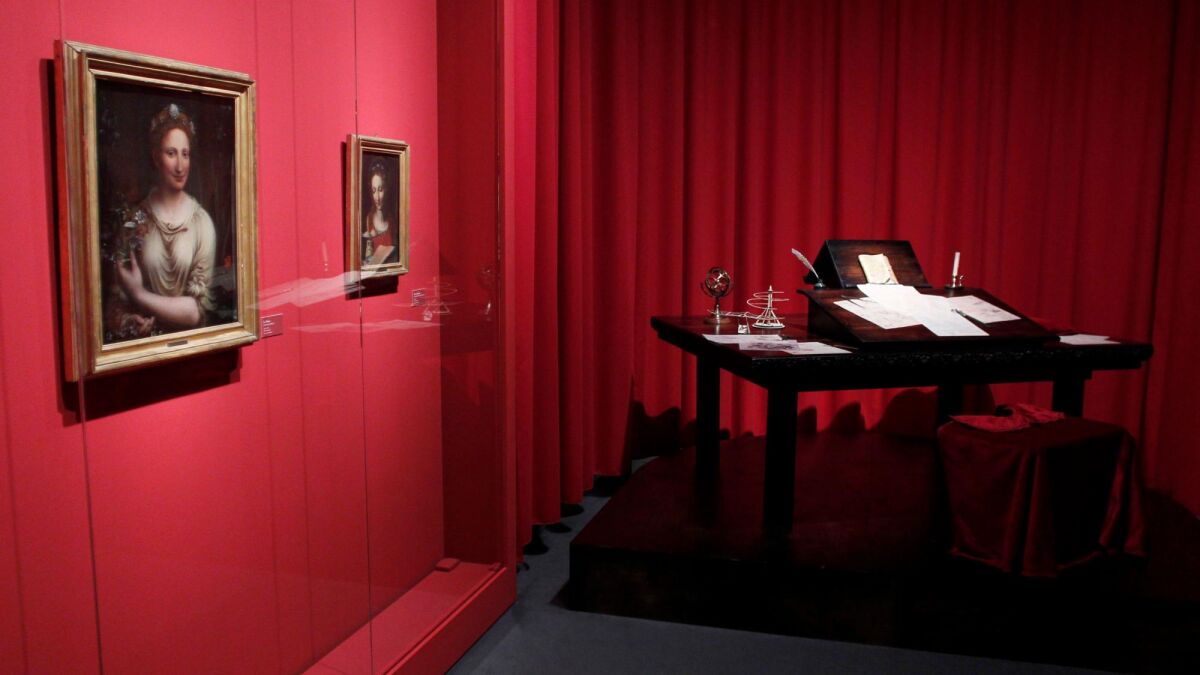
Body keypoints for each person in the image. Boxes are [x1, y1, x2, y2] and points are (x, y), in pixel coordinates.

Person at [105, 103, 216, 341]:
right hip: (147, 350)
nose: (180, 166)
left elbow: (195, 311)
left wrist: (139, 295)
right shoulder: (134, 221)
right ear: (156, 157)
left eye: (185, 154)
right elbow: (115, 304)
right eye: (171, 153)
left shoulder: (201, 223)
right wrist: (130, 321)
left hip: (193, 347)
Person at [362, 158, 397, 264]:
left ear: (386, 189)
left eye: (380, 190)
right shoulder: (369, 219)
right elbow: (368, 256)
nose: (377, 197)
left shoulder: (392, 220)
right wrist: (368, 259)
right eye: (374, 191)